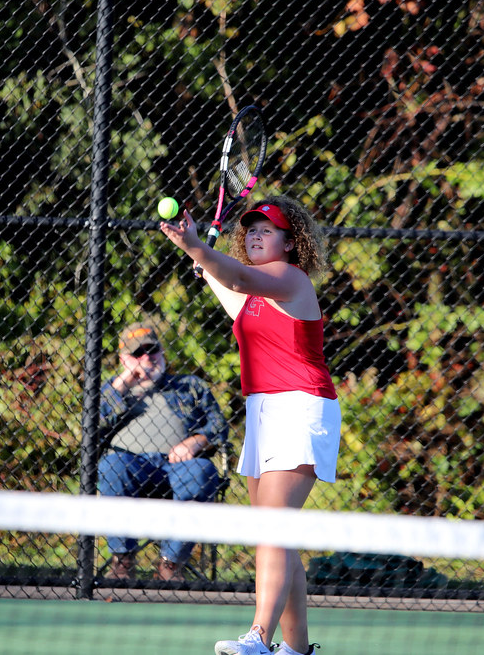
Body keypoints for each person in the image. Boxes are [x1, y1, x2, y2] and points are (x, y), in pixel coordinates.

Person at [161, 195, 341, 655]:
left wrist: (199, 249)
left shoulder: (290, 278)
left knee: (272, 529)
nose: (256, 234)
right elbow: (229, 285)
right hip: (263, 413)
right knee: (277, 531)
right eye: (252, 229)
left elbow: (236, 275)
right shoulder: (256, 300)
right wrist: (198, 256)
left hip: (302, 407)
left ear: (290, 241)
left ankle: (259, 637)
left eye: (268, 229)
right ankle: (297, 649)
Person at [98, 321, 229, 581]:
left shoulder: (188, 385)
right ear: (125, 360)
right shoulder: (111, 389)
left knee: (203, 470)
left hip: (178, 465)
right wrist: (124, 383)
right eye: (138, 353)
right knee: (111, 467)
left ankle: (171, 564)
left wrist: (195, 441)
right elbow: (92, 424)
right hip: (130, 465)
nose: (148, 358)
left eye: (153, 350)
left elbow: (218, 424)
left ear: (162, 353)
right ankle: (123, 561)